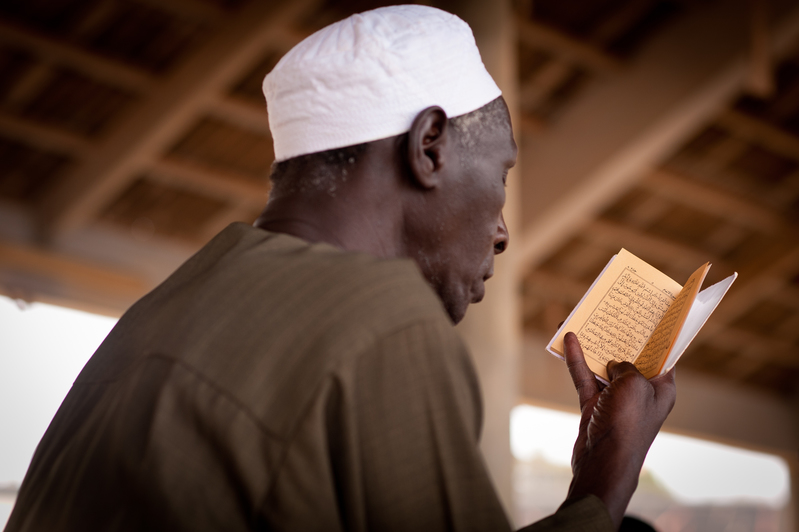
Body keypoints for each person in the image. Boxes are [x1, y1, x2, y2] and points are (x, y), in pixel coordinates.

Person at [5, 5, 675, 531]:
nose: (501, 230)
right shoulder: (378, 320)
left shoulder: (160, 315)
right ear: (429, 146)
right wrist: (607, 478)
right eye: (500, 175)